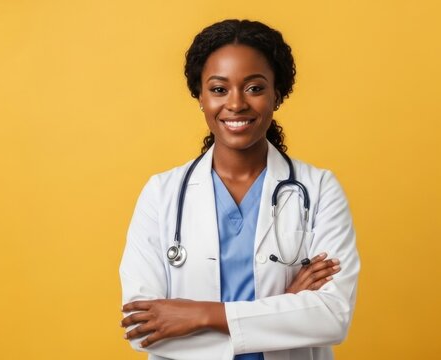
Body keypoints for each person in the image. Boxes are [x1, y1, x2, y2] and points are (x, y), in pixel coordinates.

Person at [119, 19, 360, 360]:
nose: (236, 104)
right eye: (219, 89)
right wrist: (284, 309)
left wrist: (201, 315)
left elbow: (333, 317)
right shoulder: (161, 194)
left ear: (277, 94)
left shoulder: (319, 189)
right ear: (199, 96)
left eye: (254, 88)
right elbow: (141, 328)